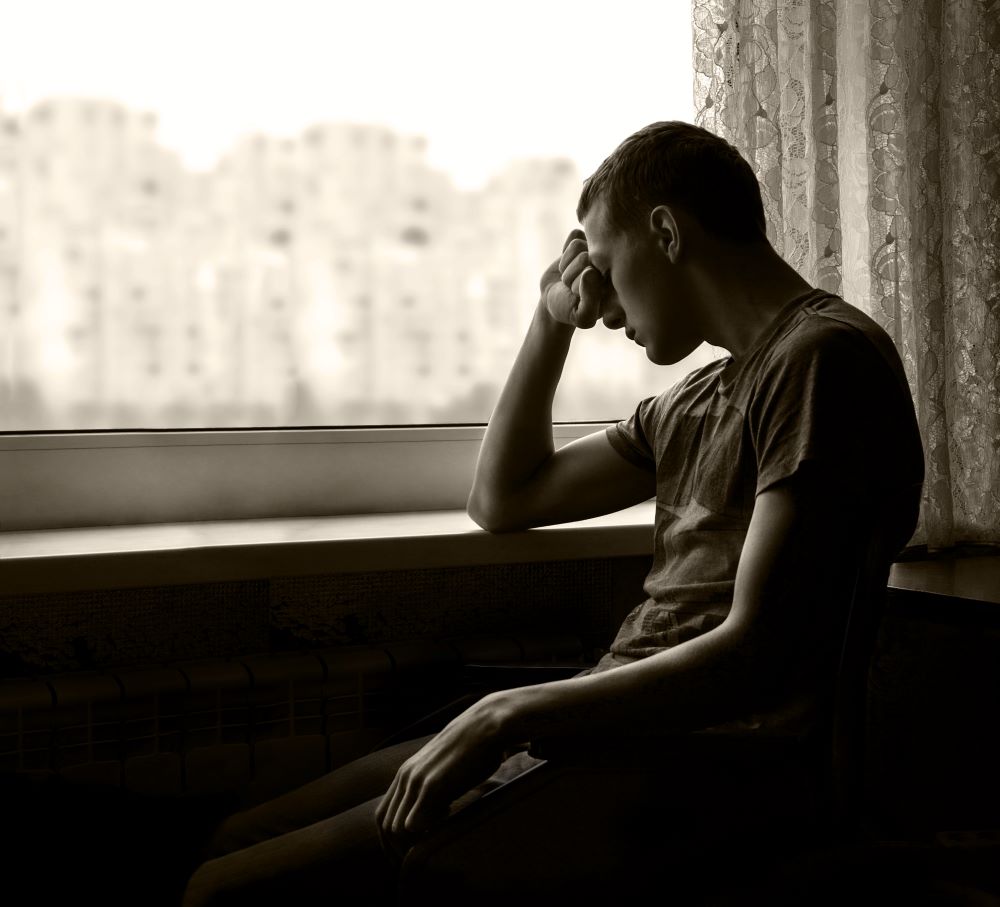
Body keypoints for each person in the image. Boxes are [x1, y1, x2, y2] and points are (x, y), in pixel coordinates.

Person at [182, 121, 924, 906]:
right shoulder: (702, 397)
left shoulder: (820, 360)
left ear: (666, 232)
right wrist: (549, 318)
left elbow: (757, 651)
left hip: (701, 763)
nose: (601, 307)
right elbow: (503, 499)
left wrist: (508, 712)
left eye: (604, 265)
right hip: (608, 737)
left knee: (218, 893)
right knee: (232, 841)